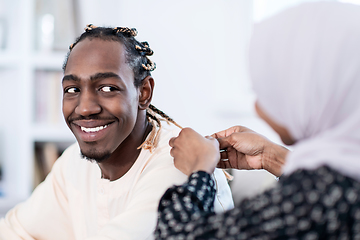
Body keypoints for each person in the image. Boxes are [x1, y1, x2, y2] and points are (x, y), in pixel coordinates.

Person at [0, 25, 234, 240]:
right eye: (72, 89)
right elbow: (15, 231)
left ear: (144, 93)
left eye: (108, 88)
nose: (85, 108)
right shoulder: (74, 162)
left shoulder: (180, 164)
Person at [155, 2, 360, 239]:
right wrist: (272, 156)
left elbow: (180, 235)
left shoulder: (314, 202)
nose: (258, 108)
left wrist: (199, 169)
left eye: (268, 90)